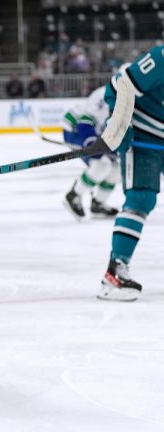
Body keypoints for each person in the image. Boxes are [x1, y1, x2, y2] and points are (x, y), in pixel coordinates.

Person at [97, 47, 164, 302]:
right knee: (141, 199)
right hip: (143, 138)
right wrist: (119, 124)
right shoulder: (160, 59)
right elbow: (118, 87)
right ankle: (115, 274)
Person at [61, 85, 120, 220]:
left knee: (117, 169)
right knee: (101, 165)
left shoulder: (139, 96)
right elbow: (85, 121)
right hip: (75, 131)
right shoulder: (105, 95)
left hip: (100, 134)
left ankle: (98, 204)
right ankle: (74, 196)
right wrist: (91, 142)